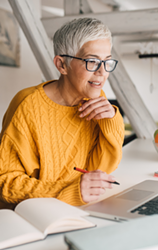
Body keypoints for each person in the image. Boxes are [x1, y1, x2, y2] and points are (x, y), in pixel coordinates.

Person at [0, 18, 124, 209]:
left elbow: (100, 170)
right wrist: (70, 191)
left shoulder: (95, 100)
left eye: (107, 62)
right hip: (30, 216)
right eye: (92, 61)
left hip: (77, 209)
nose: (102, 72)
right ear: (61, 65)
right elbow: (6, 184)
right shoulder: (27, 105)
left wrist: (111, 121)